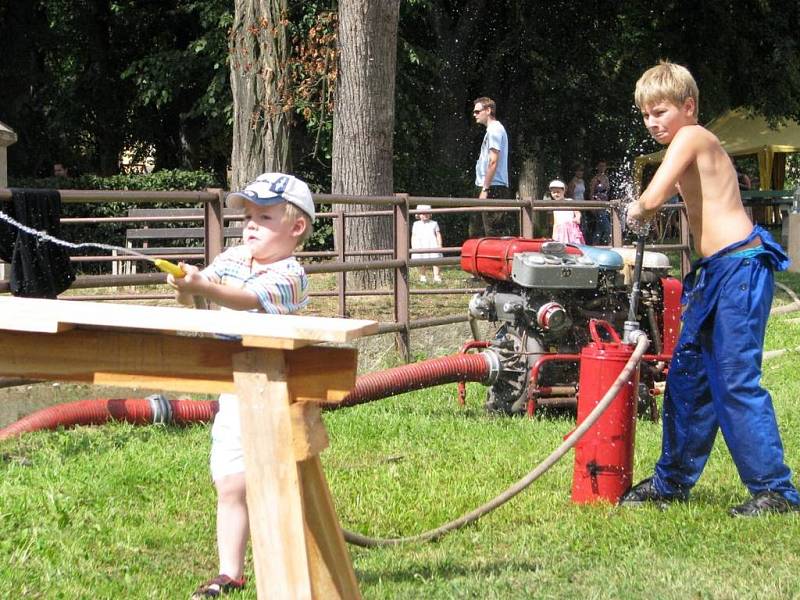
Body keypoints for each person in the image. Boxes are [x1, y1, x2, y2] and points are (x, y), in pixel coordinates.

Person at [621, 60, 799, 516]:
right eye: (645, 115)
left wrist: (635, 210)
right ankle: (671, 483)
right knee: (689, 379)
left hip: (740, 267)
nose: (652, 122)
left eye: (660, 111)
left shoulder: (693, 136)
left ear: (688, 106)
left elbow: (653, 197)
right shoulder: (682, 142)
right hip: (716, 271)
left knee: (735, 379)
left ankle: (775, 490)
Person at [168, 172, 315, 597]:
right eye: (247, 216)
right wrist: (185, 284)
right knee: (230, 481)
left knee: (273, 483)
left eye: (263, 217)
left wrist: (204, 285)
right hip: (233, 385)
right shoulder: (232, 258)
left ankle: (287, 567)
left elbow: (245, 299)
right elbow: (198, 297)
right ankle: (229, 572)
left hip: (275, 388)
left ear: (296, 227)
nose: (249, 224)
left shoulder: (291, 274)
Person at [472, 96, 511, 237]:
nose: (474, 114)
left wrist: (485, 189)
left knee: (493, 234)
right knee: (478, 234)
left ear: (488, 110)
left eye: (477, 111)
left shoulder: (495, 130)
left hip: (493, 187)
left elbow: (493, 161)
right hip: (487, 186)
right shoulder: (492, 130)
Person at [411, 204, 443, 284]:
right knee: (422, 260)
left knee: (435, 260)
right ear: (418, 215)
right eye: (422, 213)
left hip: (432, 244)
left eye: (427, 213)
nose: (425, 215)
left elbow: (438, 234)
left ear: (430, 214)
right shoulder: (416, 224)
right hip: (420, 244)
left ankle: (437, 276)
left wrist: (440, 244)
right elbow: (413, 235)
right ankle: (423, 276)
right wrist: (413, 246)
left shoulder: (434, 223)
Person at [549, 179, 585, 244]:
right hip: (561, 229)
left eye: (558, 192)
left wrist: (577, 218)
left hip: (571, 227)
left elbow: (577, 212)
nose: (556, 194)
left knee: (575, 244)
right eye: (553, 192)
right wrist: (554, 233)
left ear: (563, 191)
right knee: (562, 245)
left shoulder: (569, 201)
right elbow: (555, 221)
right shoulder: (553, 205)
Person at [588, 159, 611, 244]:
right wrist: (592, 206)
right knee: (608, 227)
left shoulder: (606, 178)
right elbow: (591, 193)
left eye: (604, 166)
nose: (602, 168)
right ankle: (610, 243)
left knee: (599, 229)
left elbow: (607, 191)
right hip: (598, 203)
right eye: (600, 166)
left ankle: (595, 244)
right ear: (597, 167)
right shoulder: (595, 179)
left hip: (605, 203)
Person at [566, 163, 591, 242]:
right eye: (578, 171)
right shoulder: (572, 183)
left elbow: (583, 194)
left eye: (582, 171)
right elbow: (571, 196)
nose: (580, 173)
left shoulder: (582, 181)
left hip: (582, 205)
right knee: (578, 225)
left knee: (584, 225)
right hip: (576, 206)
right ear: (575, 172)